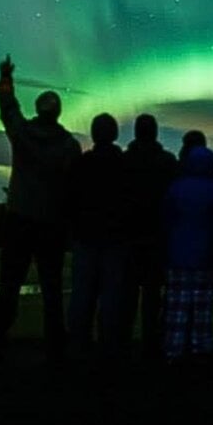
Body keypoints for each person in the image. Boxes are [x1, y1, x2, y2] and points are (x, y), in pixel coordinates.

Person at [0, 54, 81, 365]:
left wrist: (5, 77)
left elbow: (8, 107)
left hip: (19, 220)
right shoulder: (69, 145)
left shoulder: (23, 134)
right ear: (58, 112)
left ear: (39, 109)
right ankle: (56, 347)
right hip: (51, 225)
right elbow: (73, 188)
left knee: (9, 285)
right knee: (52, 289)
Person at [69, 112, 129, 360]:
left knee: (83, 295)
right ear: (114, 134)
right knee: (112, 296)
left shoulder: (83, 164)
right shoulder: (124, 164)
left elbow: (70, 199)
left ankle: (78, 346)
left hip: (86, 238)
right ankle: (109, 347)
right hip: (115, 240)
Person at [122, 114, 179, 359]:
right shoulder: (167, 162)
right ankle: (151, 346)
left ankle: (122, 345)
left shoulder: (123, 162)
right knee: (152, 298)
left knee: (128, 296)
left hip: (129, 237)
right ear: (155, 132)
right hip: (157, 238)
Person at [162, 146, 213, 363]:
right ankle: (201, 348)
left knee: (177, 306)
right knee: (202, 308)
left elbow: (166, 220)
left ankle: (174, 348)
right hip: (206, 257)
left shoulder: (176, 188)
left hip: (177, 254)